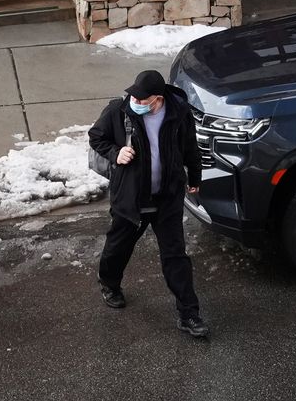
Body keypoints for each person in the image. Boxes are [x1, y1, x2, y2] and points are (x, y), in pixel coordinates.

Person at [88, 69, 209, 338]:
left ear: (158, 98)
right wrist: (115, 152)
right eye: (134, 97)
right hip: (132, 197)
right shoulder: (119, 111)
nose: (137, 102)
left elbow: (190, 146)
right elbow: (96, 136)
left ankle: (189, 313)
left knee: (175, 256)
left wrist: (195, 176)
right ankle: (109, 284)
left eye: (143, 100)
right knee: (119, 246)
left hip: (167, 196)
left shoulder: (178, 113)